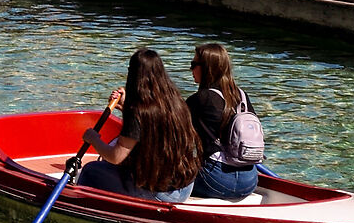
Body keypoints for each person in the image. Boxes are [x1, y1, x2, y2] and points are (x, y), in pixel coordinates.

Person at [77, 46, 202, 204]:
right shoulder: (175, 102)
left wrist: (93, 139)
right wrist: (126, 108)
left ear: (134, 75)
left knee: (90, 171)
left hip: (161, 193)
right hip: (185, 185)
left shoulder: (138, 111)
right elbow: (145, 130)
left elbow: (116, 157)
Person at [186, 42, 264, 201]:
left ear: (207, 67)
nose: (190, 69)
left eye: (194, 64)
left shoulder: (200, 99)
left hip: (216, 182)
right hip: (250, 181)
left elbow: (169, 132)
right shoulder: (242, 96)